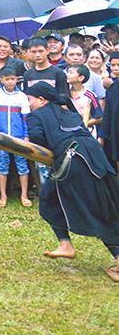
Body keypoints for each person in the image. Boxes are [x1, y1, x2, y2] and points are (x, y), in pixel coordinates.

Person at [23, 82, 119, 282]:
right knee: (53, 200)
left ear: (41, 99)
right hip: (96, 158)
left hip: (75, 163)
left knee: (96, 210)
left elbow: (37, 138)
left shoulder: (36, 116)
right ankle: (66, 245)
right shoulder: (68, 110)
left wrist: (28, 144)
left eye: (30, 99)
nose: (29, 103)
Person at [0, 68, 32, 209]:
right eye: (7, 79)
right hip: (1, 137)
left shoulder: (22, 96)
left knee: (22, 166)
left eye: (13, 79)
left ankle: (24, 195)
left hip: (18, 137)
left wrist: (26, 136)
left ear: (17, 79)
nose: (10, 81)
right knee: (2, 165)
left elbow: (26, 119)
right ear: (1, 80)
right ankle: (3, 195)